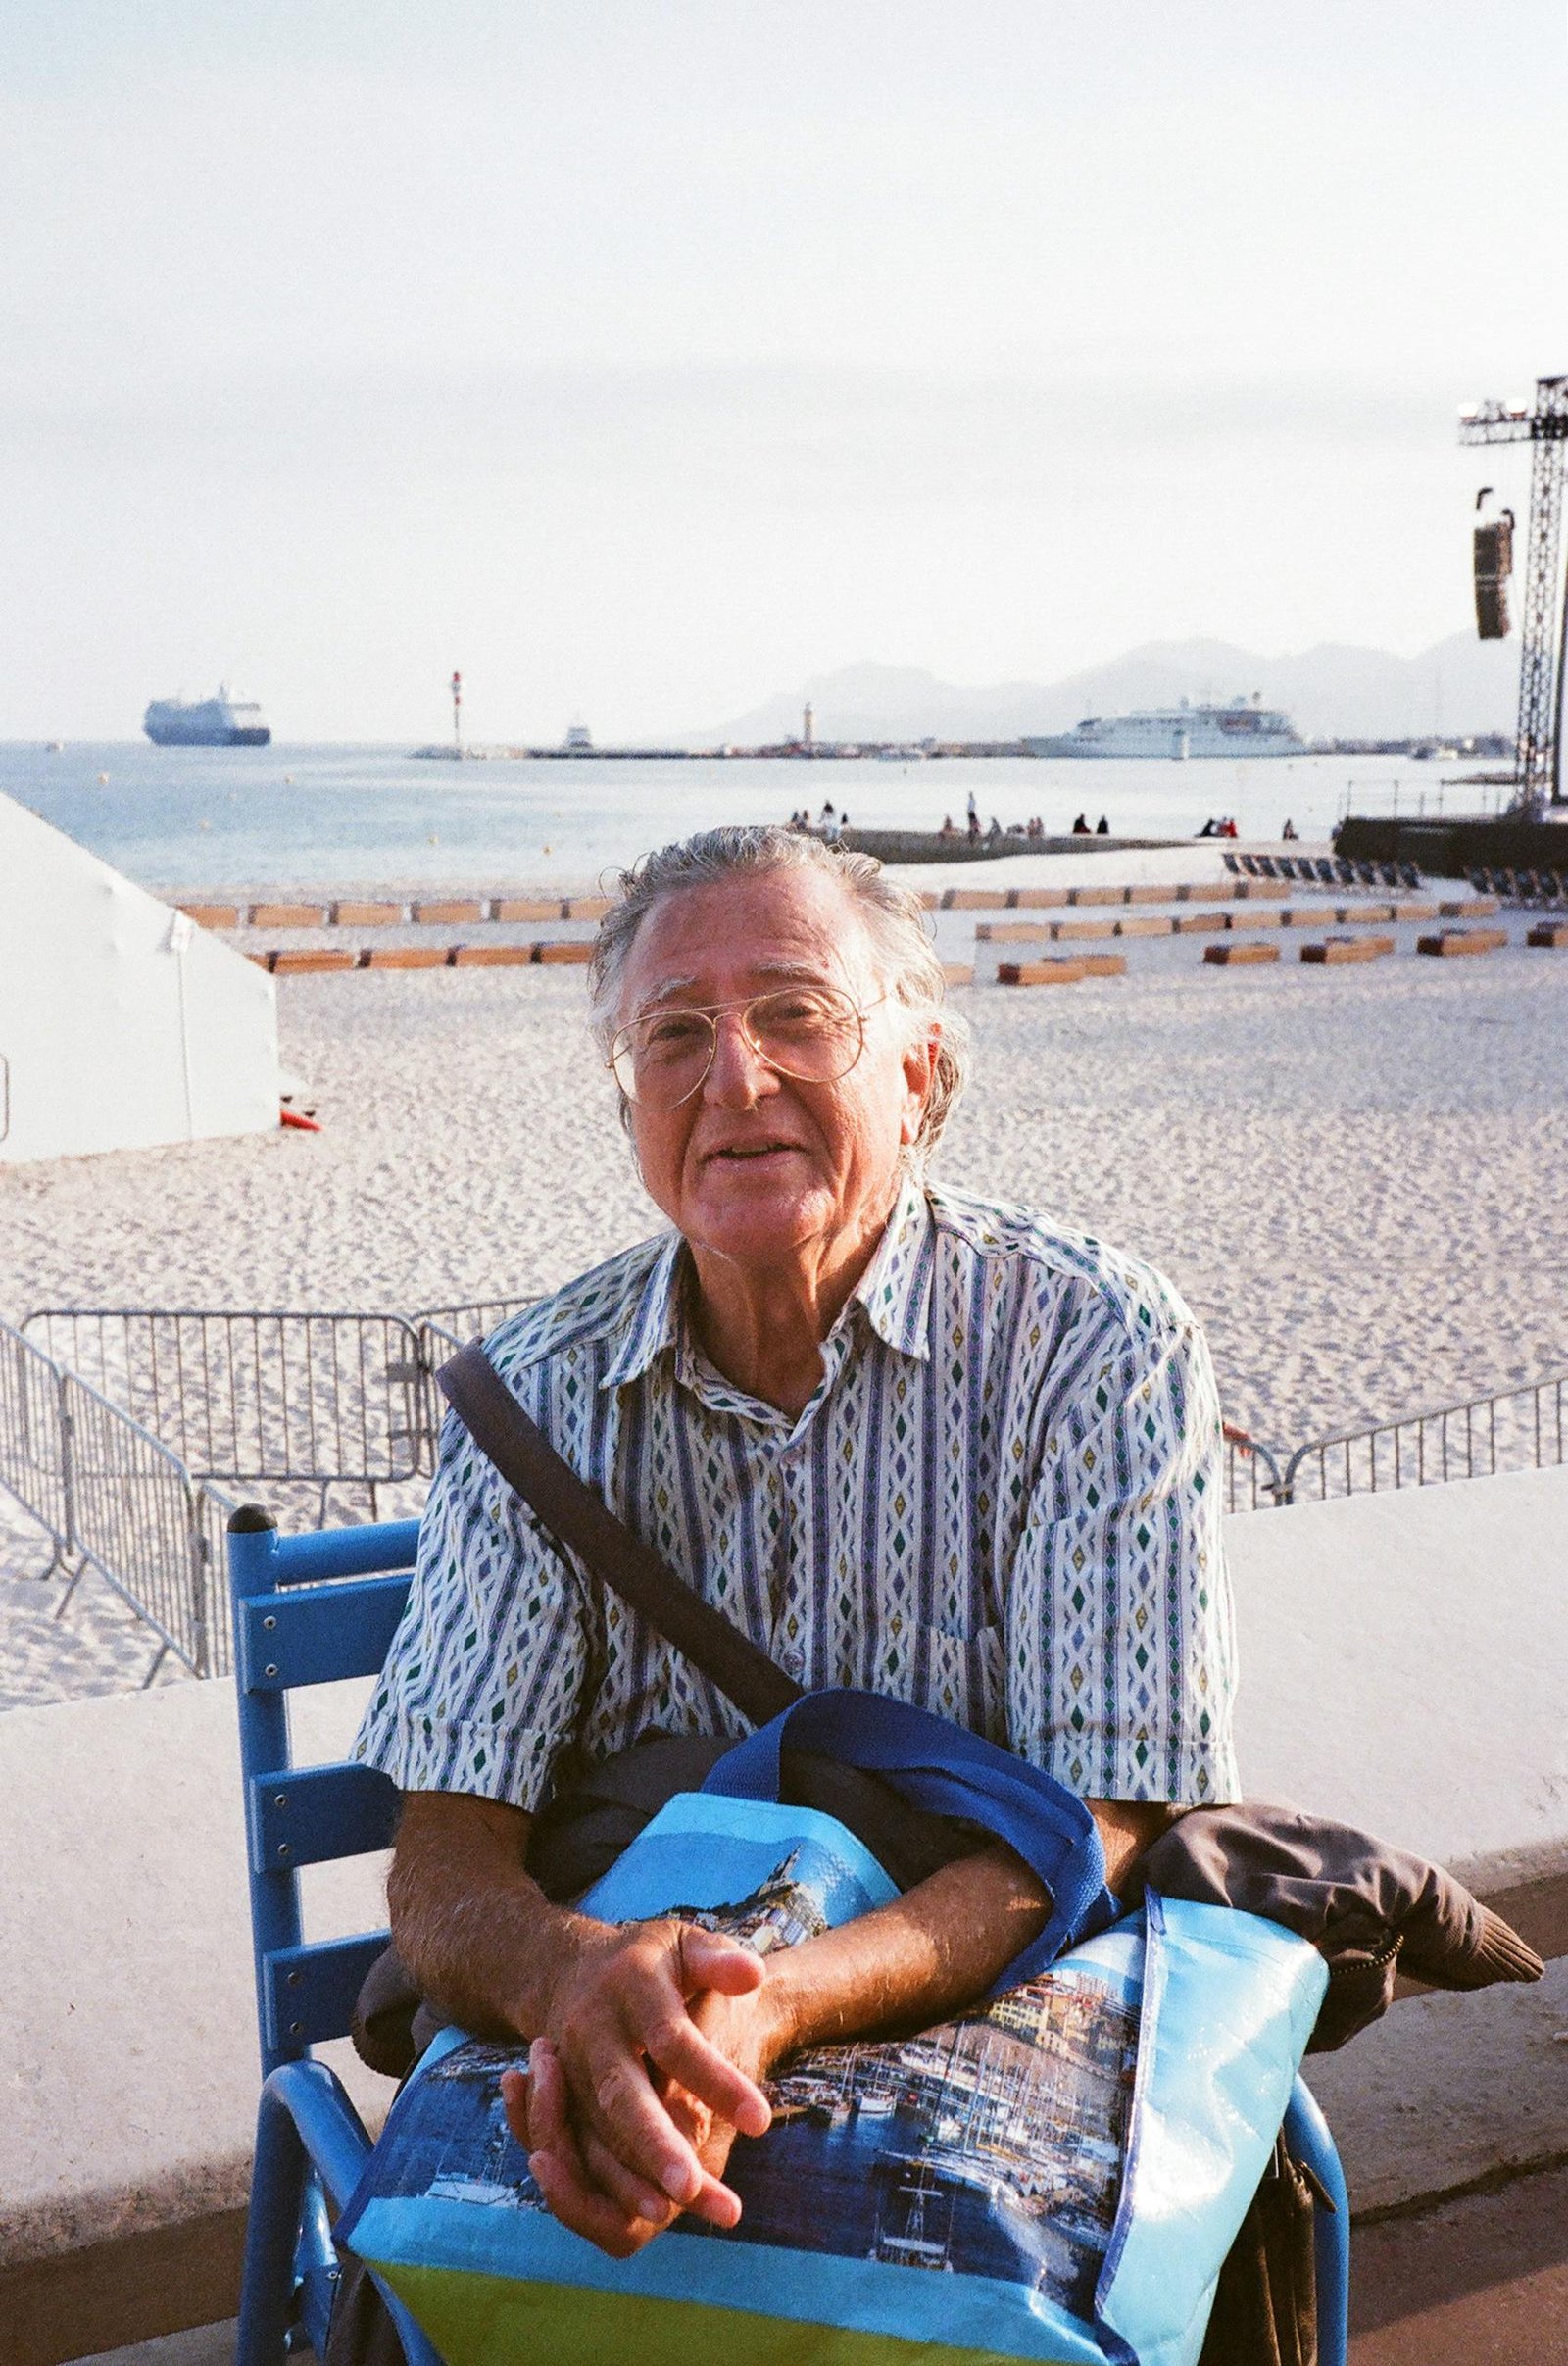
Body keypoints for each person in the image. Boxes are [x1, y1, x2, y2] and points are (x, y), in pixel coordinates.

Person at [354, 824, 1237, 2263]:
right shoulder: (534, 1396)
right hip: (623, 2014)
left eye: (795, 1015)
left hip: (979, 2017)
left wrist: (769, 1998)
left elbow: (1105, 1813)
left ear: (920, 1069)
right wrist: (585, 1981)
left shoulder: (1095, 1346)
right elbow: (445, 1857)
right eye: (677, 1033)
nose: (736, 1080)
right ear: (632, 1098)